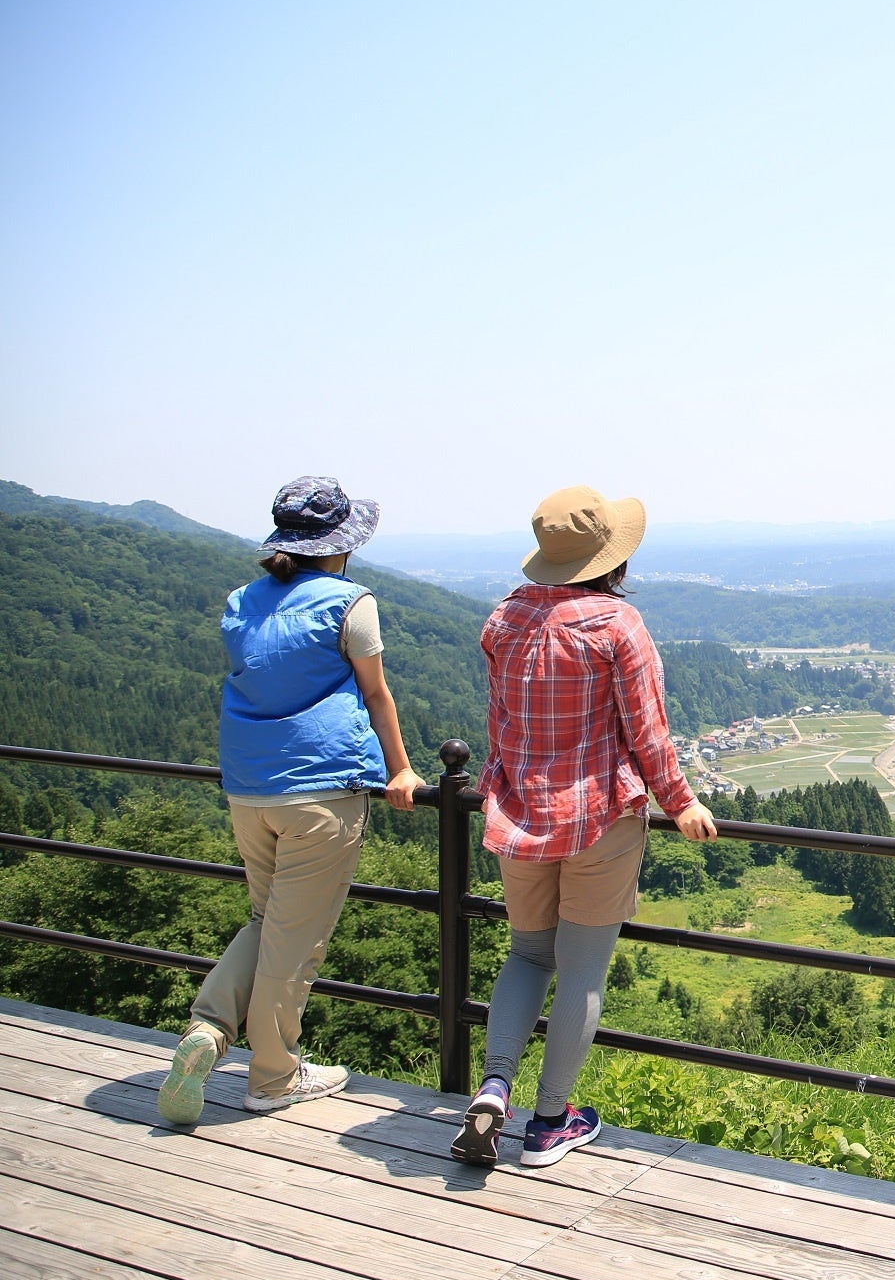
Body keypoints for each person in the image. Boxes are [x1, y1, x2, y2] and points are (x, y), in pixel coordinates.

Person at [452, 484, 716, 1169]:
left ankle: (493, 1087)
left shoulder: (502, 619)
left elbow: (501, 723)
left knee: (525, 955)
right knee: (581, 972)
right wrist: (681, 800)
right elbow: (649, 732)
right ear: (613, 559)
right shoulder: (614, 625)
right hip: (599, 817)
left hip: (518, 815)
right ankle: (548, 1123)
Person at [157, 476, 424, 1125]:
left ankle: (209, 1028)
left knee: (267, 917)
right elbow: (377, 693)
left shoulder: (240, 600)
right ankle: (274, 1075)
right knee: (296, 939)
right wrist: (402, 769)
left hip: (248, 787)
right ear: (342, 545)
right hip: (322, 791)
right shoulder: (350, 602)